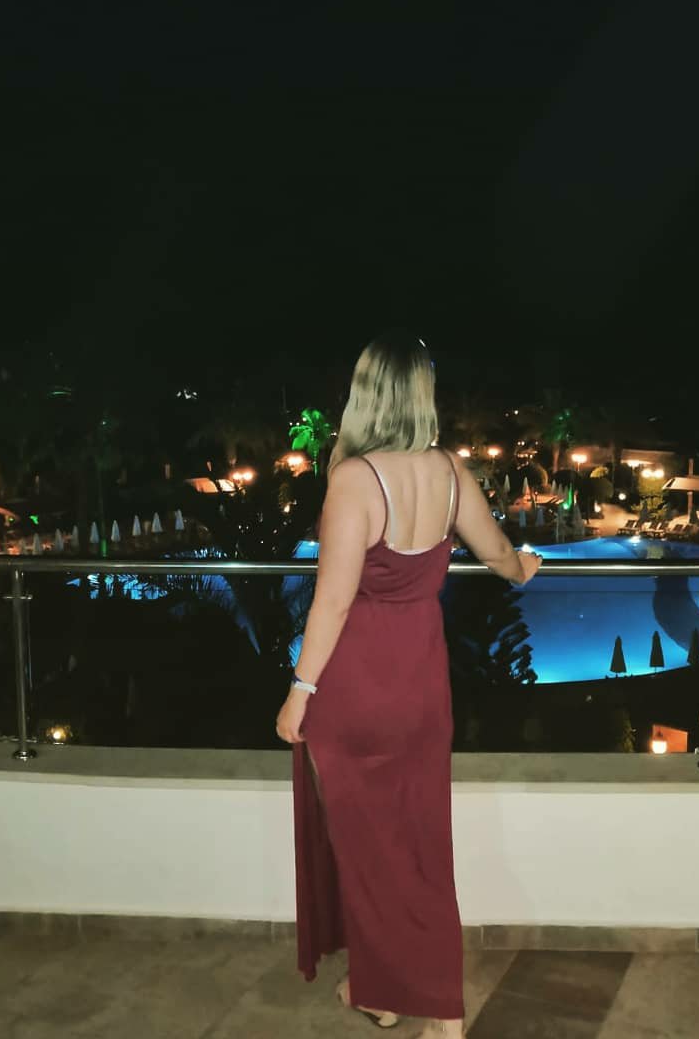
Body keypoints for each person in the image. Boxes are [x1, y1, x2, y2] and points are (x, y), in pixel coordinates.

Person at [275, 332, 541, 1038]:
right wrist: (523, 568)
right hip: (422, 684)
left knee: (368, 852)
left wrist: (300, 690)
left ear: (363, 395)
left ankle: (410, 998)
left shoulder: (355, 479)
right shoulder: (449, 470)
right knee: (421, 845)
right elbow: (498, 552)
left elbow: (333, 602)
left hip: (357, 688)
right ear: (422, 394)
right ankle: (404, 998)